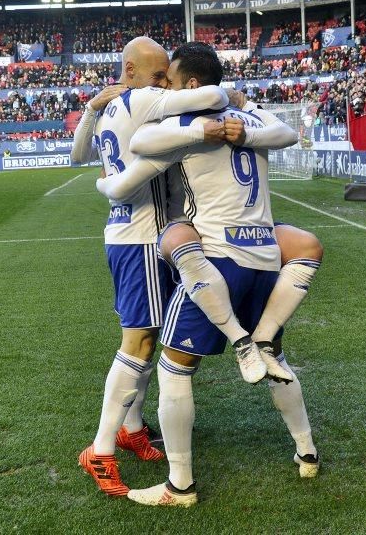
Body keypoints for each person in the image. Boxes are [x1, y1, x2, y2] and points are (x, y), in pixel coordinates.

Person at [96, 43, 320, 507]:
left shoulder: (188, 128)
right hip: (265, 261)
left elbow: (139, 144)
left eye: (172, 82)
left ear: (192, 85)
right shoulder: (254, 122)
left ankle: (180, 484)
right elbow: (286, 133)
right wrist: (241, 115)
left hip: (219, 261)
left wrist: (204, 126)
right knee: (276, 351)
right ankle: (306, 450)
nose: (166, 91)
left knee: (174, 367)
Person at [71, 36, 234, 498]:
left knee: (149, 337)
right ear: (131, 71)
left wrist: (89, 109)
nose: (167, 84)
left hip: (135, 235)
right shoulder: (144, 100)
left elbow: (77, 156)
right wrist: (230, 96)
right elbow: (209, 95)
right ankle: (101, 449)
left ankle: (133, 428)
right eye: (160, 75)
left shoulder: (114, 106)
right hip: (142, 236)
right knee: (141, 342)